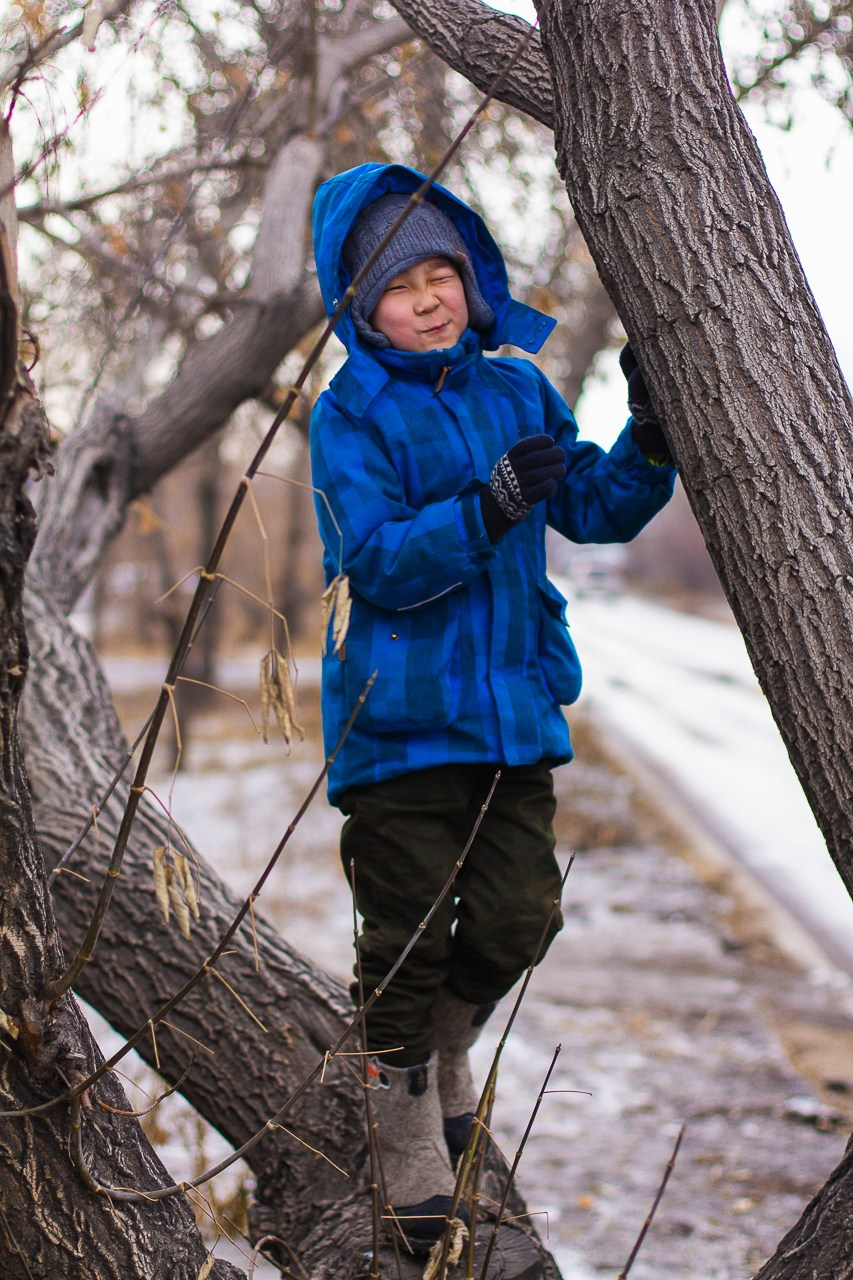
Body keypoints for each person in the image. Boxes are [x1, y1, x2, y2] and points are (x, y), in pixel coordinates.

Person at [309, 162, 676, 1249]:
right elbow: (373, 560)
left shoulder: (516, 387)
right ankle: (404, 1113)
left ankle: (444, 1047)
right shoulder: (349, 415)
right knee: (407, 936)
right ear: (356, 304)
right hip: (400, 726)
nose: (428, 298)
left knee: (522, 915)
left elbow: (598, 506)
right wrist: (484, 507)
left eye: (442, 274)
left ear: (471, 280)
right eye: (399, 284)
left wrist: (650, 432)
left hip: (513, 714)